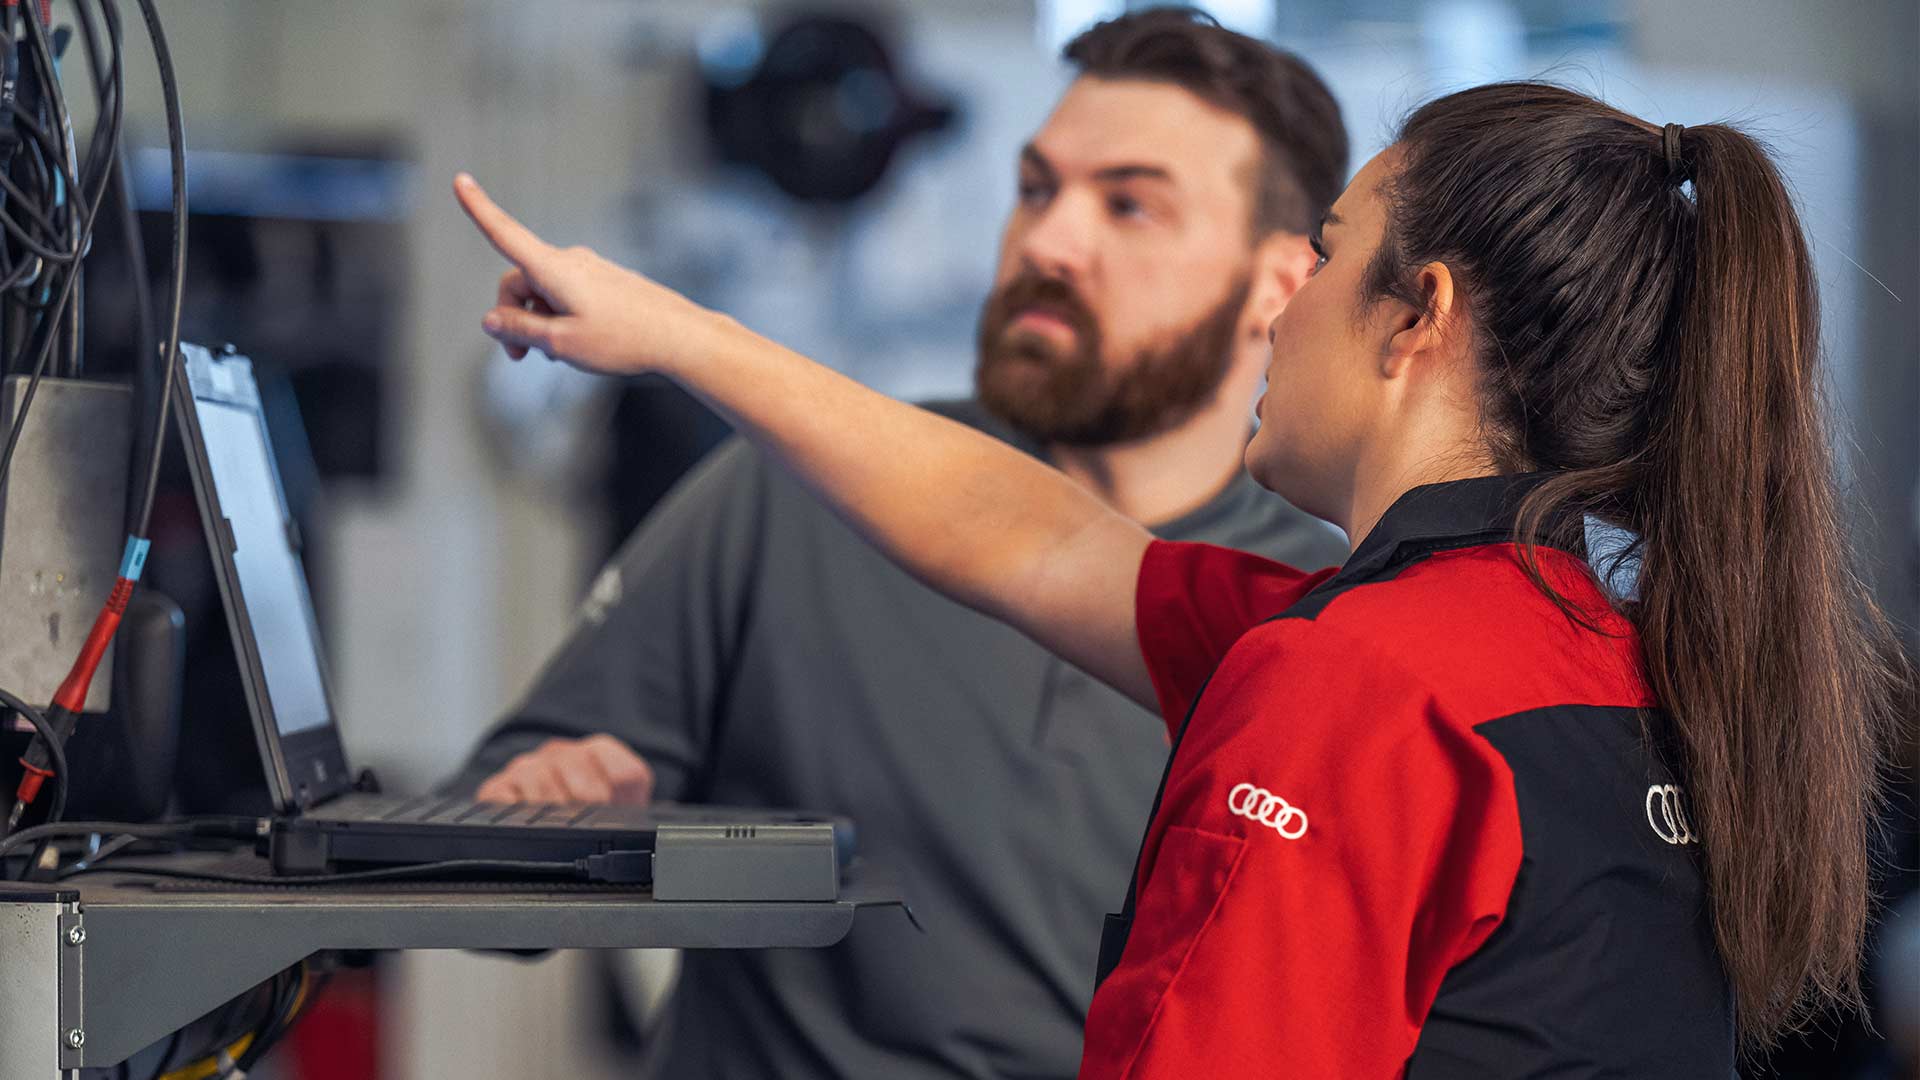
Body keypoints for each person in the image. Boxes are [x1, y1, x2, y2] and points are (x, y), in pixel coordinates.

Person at [455, 76, 1907, 1076]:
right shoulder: (1580, 651)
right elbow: (1035, 540)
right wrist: (677, 335)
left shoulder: (1356, 686)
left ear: (1421, 319)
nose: (1284, 308)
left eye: (1327, 256)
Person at [451, 10, 1349, 1078]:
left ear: (1279, 285)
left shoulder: (1313, 619)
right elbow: (483, 859)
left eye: (1129, 205)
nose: (1050, 241)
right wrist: (557, 827)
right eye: (1035, 189)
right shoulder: (792, 488)